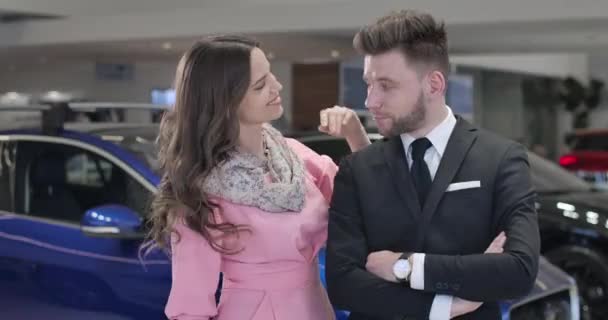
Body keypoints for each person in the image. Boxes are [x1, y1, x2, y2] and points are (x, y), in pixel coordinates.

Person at [325, 10, 540, 320]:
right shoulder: (358, 169)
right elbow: (344, 284)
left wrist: (405, 266)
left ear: (434, 85)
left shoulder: (501, 158)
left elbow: (518, 270)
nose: (371, 102)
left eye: (386, 86)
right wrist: (445, 305)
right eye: (368, 84)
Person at [144, 35, 370, 320]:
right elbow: (190, 309)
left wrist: (355, 135)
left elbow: (368, 202)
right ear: (225, 101)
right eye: (260, 85)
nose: (277, 86)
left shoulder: (295, 156)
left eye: (271, 75)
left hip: (315, 306)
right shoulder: (201, 191)